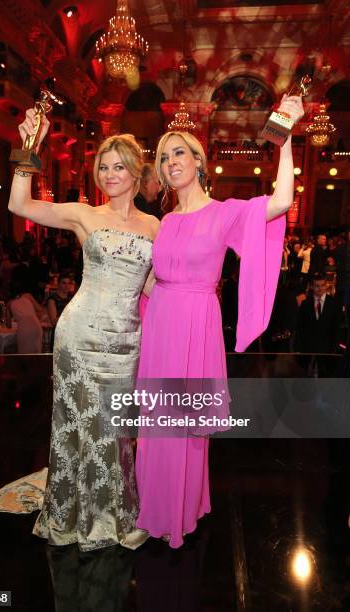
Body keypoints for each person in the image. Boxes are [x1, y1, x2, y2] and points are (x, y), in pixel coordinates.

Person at [135, 93, 304, 548]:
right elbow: (152, 281)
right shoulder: (165, 219)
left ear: (199, 161)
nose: (170, 162)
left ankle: (180, 509)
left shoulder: (224, 212)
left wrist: (285, 135)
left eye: (179, 153)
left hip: (196, 326)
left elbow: (282, 199)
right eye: (164, 156)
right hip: (161, 325)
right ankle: (153, 506)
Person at [1, 109, 159, 551]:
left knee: (116, 431)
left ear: (135, 171)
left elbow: (153, 288)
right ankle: (77, 513)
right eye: (103, 167)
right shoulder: (83, 215)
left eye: (118, 166)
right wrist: (29, 149)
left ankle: (115, 510)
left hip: (128, 344)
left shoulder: (155, 227)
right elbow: (19, 205)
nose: (110, 174)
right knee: (80, 426)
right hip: (79, 338)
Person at [5, 280, 45, 354]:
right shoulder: (27, 296)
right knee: (37, 353)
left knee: (24, 355)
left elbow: (8, 325)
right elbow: (40, 309)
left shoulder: (9, 303)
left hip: (24, 329)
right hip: (35, 325)